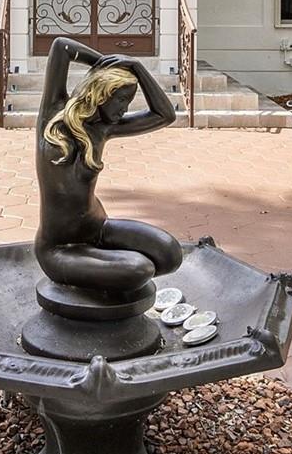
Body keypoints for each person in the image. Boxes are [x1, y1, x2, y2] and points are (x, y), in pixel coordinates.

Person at [34, 38, 182, 294]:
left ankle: (101, 268)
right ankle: (96, 275)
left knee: (170, 253)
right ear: (101, 94)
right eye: (122, 100)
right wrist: (101, 63)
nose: (125, 110)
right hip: (59, 247)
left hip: (98, 227)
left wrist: (137, 68)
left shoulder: (104, 129)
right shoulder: (53, 113)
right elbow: (61, 47)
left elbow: (165, 115)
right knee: (139, 269)